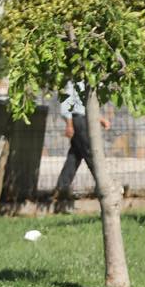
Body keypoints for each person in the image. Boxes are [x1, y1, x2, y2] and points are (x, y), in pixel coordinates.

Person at [53, 82, 109, 212]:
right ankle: (103, 184)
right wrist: (69, 124)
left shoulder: (88, 82)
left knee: (75, 156)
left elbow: (86, 106)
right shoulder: (73, 83)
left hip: (84, 119)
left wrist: (100, 119)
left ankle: (62, 187)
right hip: (78, 120)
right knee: (90, 153)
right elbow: (66, 104)